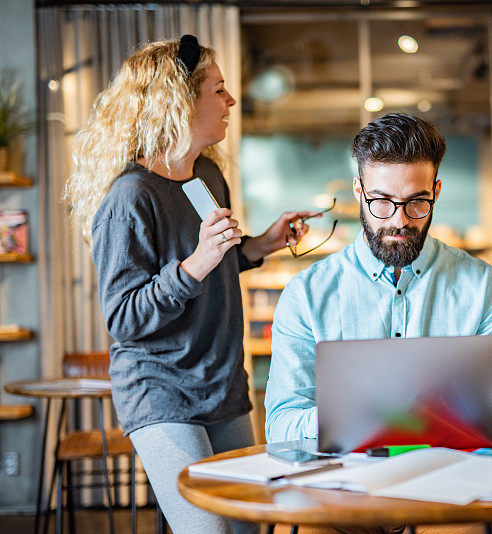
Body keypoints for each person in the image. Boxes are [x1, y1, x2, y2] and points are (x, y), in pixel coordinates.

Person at [66, 35, 319, 534]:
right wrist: (195, 263)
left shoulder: (206, 176)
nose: (229, 102)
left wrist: (259, 245)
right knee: (209, 531)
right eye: (219, 90)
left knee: (247, 527)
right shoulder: (129, 197)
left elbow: (217, 263)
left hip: (222, 385)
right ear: (179, 101)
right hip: (161, 392)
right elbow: (124, 319)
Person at [265, 112, 492, 443]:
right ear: (359, 191)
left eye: (417, 202)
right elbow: (280, 427)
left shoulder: (485, 288)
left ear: (436, 191)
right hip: (345, 486)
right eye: (382, 202)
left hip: (452, 478)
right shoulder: (306, 295)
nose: (400, 221)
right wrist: (360, 415)